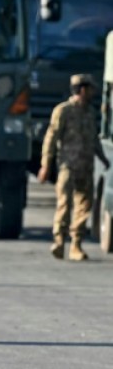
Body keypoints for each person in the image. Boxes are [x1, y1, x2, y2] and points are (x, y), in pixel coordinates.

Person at [38, 74, 110, 261]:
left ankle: (76, 244)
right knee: (64, 204)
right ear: (83, 89)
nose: (93, 92)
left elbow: (94, 139)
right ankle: (59, 242)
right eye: (91, 88)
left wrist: (103, 159)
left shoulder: (90, 112)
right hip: (67, 166)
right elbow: (51, 138)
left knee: (84, 206)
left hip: (86, 167)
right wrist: (45, 165)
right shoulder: (63, 111)